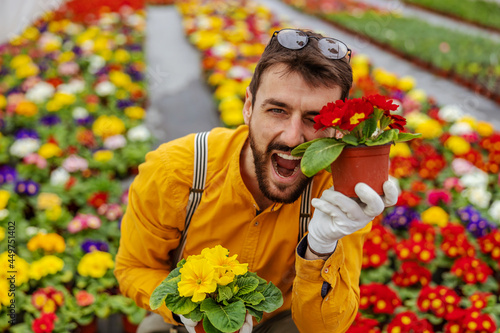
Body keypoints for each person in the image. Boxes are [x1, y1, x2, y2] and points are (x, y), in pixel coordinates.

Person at [114, 28, 398, 333]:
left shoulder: (337, 195)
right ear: (248, 106)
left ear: (337, 129)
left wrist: (321, 248)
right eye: (277, 110)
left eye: (314, 119)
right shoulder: (176, 170)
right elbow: (135, 268)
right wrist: (189, 310)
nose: (292, 137)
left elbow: (325, 328)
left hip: (282, 320)